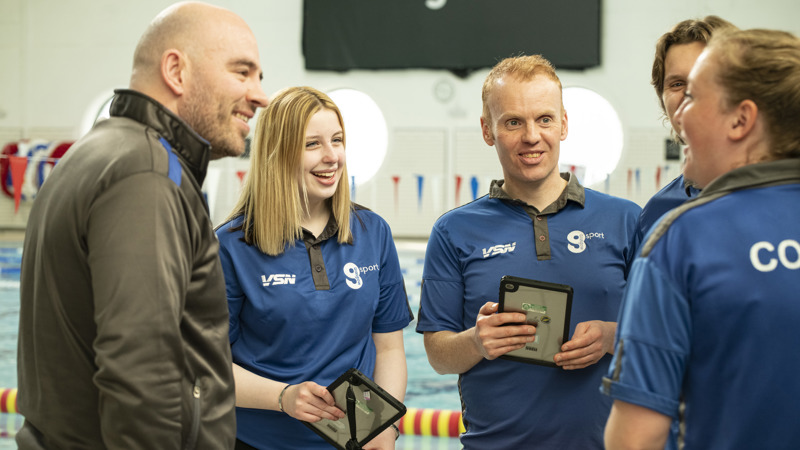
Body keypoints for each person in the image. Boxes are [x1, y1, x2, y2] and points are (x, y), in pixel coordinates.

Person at [16, 2, 269, 448]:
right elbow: (140, 370)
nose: (259, 95)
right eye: (242, 72)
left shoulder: (97, 152)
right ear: (176, 71)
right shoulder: (147, 174)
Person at [416, 55, 641, 449]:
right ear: (488, 130)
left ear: (564, 123)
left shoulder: (625, 220)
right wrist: (476, 342)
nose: (531, 136)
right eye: (513, 122)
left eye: (544, 119)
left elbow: (669, 334)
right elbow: (437, 354)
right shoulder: (454, 231)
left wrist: (610, 337)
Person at [603, 28, 800, 449]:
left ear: (741, 119)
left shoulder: (683, 238)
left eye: (692, 96)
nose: (678, 115)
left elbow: (635, 440)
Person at [215, 86, 412, 450]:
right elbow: (207, 366)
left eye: (337, 140)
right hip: (256, 441)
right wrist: (283, 396)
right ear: (278, 154)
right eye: (312, 145)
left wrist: (385, 428)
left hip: (351, 442)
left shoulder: (373, 233)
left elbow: (388, 349)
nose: (332, 156)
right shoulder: (231, 246)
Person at [635, 16, 736, 242]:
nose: (689, 93)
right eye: (677, 84)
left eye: (705, 78)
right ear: (663, 101)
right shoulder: (656, 214)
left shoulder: (787, 193)